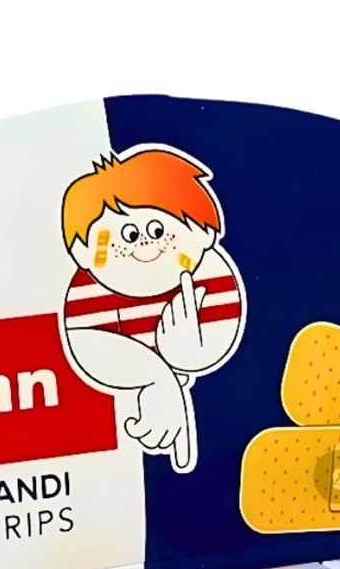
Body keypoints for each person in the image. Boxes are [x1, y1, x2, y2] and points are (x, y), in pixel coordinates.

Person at [60, 148, 245, 473]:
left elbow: (222, 328)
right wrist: (158, 378)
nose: (144, 244)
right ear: (84, 251)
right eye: (128, 235)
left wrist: (187, 356)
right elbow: (87, 344)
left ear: (202, 233)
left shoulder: (210, 279)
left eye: (158, 230)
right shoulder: (86, 298)